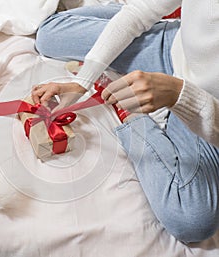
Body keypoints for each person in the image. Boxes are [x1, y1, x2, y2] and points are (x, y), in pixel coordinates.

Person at [32, 1, 219, 243]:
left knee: (192, 221)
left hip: (204, 108)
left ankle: (128, 108)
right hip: (171, 48)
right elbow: (141, 11)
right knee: (50, 35)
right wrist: (84, 80)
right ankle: (148, 38)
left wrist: (178, 95)